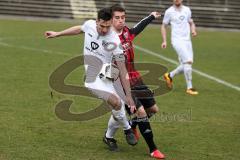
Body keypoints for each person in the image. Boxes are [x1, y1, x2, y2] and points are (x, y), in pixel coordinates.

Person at [44, 7, 137, 150]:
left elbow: (122, 68)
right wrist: (58, 33)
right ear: (97, 21)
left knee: (119, 107)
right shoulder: (89, 25)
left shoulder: (114, 41)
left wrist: (129, 95)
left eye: (108, 26)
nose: (105, 30)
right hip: (92, 78)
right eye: (102, 26)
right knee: (117, 102)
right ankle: (127, 128)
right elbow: (79, 29)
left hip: (108, 72)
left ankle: (109, 137)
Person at [103, 4, 165, 159]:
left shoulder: (126, 32)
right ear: (111, 19)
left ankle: (133, 125)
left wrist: (151, 16)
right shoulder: (106, 38)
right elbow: (101, 62)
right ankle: (153, 149)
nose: (121, 20)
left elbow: (139, 27)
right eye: (117, 18)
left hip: (135, 77)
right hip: (121, 82)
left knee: (153, 110)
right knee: (141, 111)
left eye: (123, 17)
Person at [161, 0, 199, 95]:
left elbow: (191, 22)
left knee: (186, 65)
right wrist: (164, 41)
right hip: (177, 41)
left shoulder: (187, 10)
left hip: (187, 41)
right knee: (188, 62)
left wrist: (193, 30)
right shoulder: (169, 11)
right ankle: (189, 88)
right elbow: (163, 26)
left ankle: (169, 75)